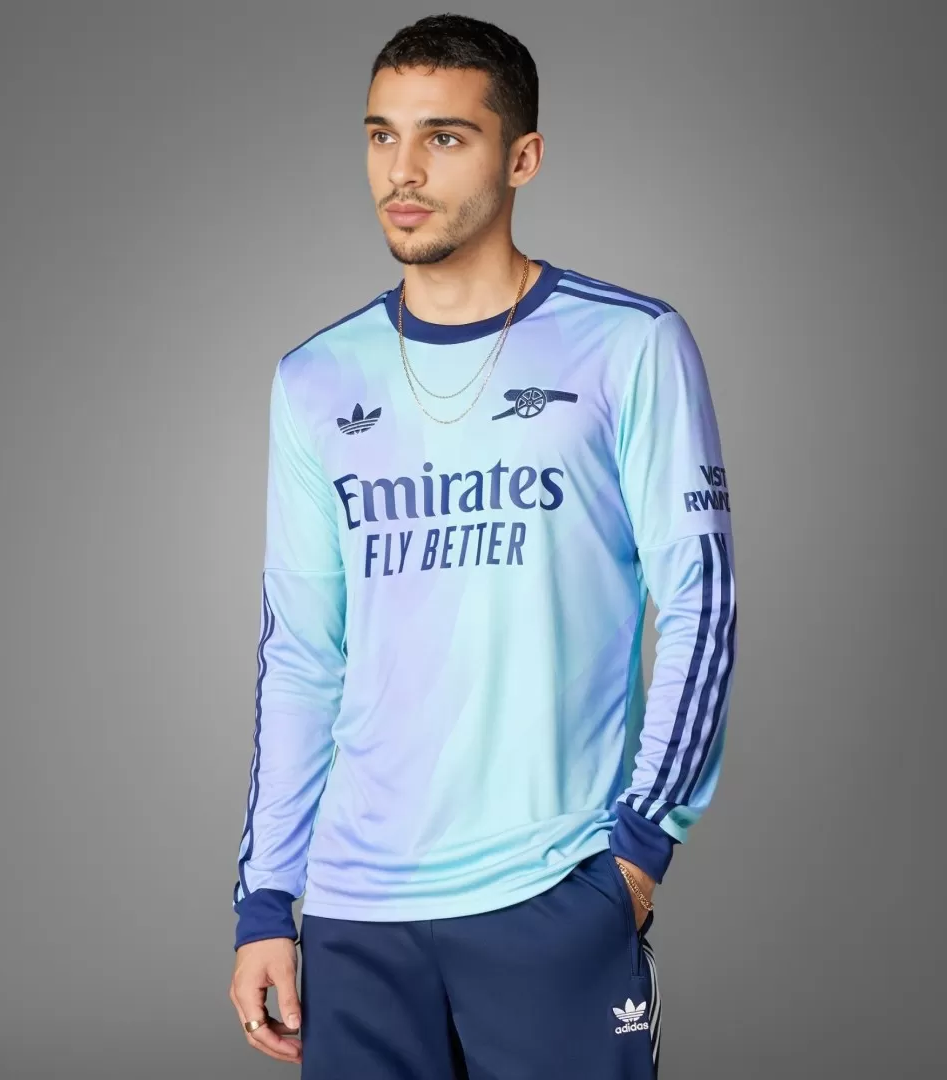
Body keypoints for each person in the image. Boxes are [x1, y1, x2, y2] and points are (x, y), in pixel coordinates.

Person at [228, 12, 737, 1078]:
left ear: (522, 157)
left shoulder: (629, 345)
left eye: (444, 137)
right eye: (382, 135)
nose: (402, 172)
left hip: (549, 892)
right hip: (356, 915)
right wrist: (268, 899)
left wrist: (638, 855)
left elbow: (702, 604)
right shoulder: (315, 378)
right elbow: (302, 654)